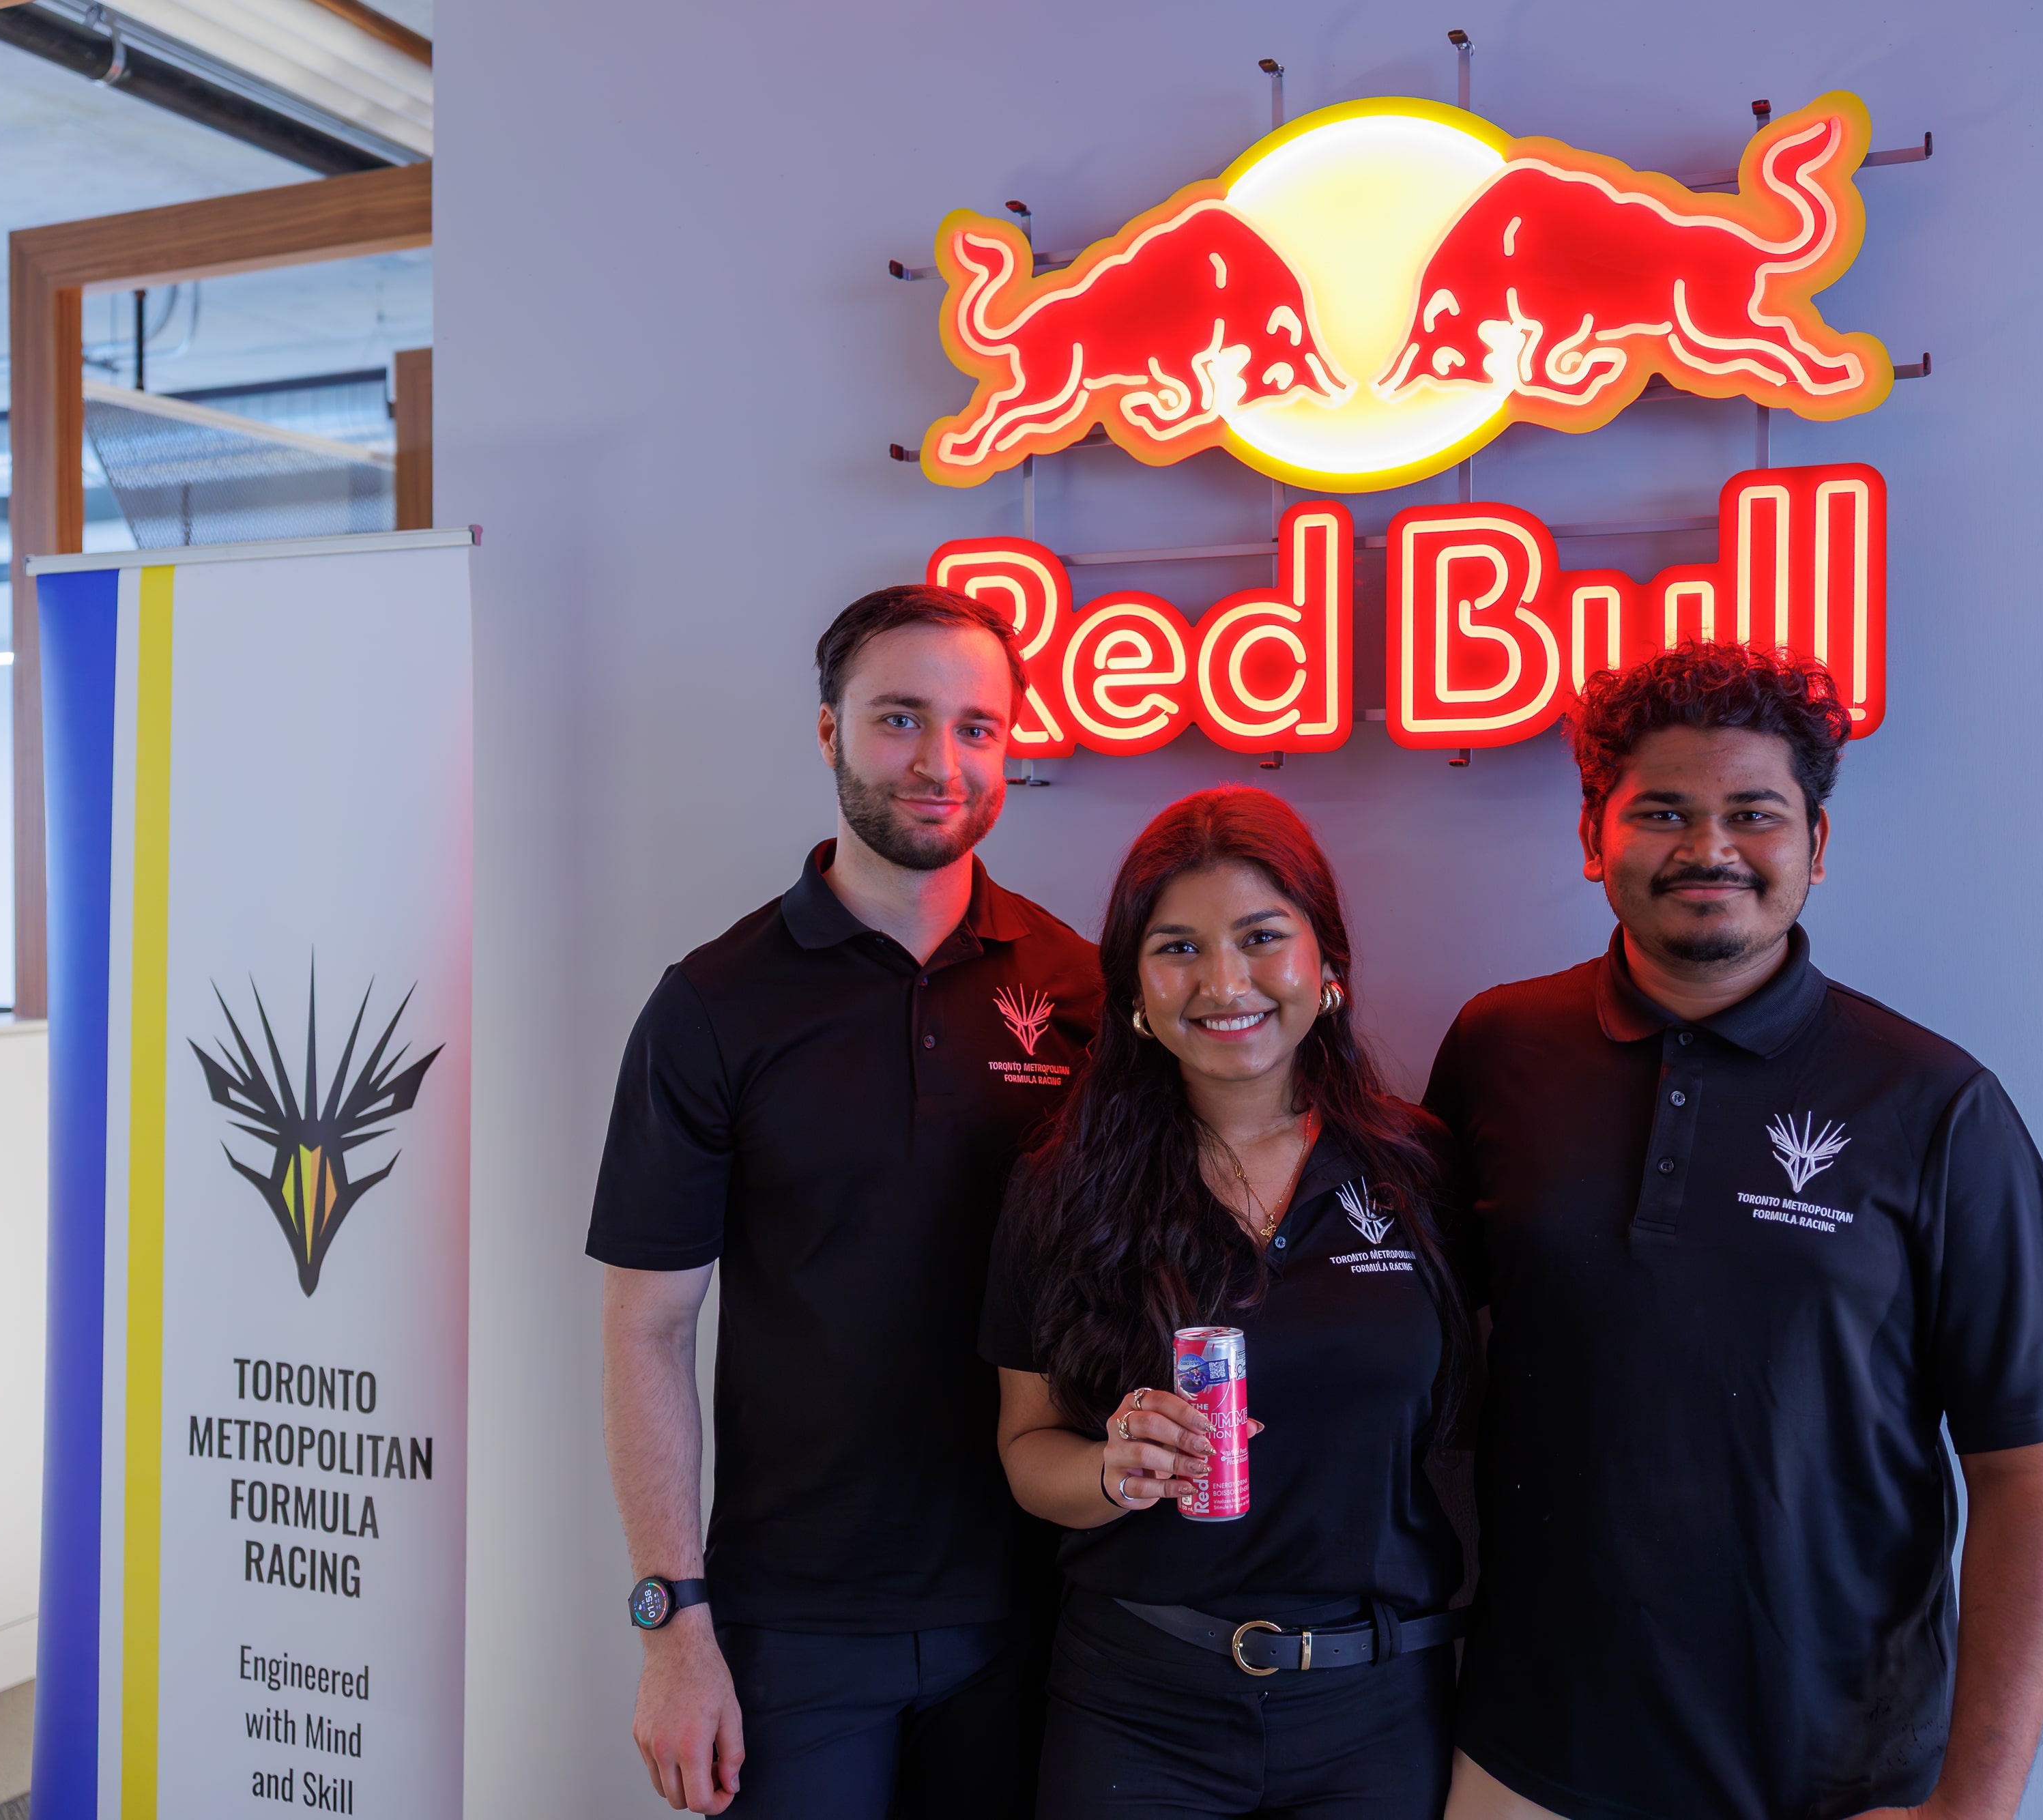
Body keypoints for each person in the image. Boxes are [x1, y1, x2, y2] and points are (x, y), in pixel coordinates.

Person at [1429, 644, 2043, 1820]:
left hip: (1834, 1778)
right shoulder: (1497, 1050)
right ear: (1594, 836)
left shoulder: (1934, 1104)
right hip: (1528, 1753)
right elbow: (1417, 1358)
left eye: (1753, 814)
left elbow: (2027, 1482)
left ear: (1816, 842)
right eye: (1663, 811)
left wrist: (1972, 1808)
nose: (1709, 848)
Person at [587, 585, 1103, 1817]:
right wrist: (673, 1625)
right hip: (797, 1626)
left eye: (976, 728)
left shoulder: (1081, 988)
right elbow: (647, 1329)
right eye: (899, 718)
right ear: (829, 730)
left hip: (1039, 1604)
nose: (939, 763)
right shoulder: (714, 1005)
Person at [981, 785, 1474, 1820]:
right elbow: (1026, 1451)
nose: (1224, 983)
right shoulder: (1064, 1184)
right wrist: (1113, 1471)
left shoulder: (1420, 1166)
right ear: (1133, 987)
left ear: (1326, 963)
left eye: (1261, 937)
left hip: (1376, 1704)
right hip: (1138, 1703)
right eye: (1178, 948)